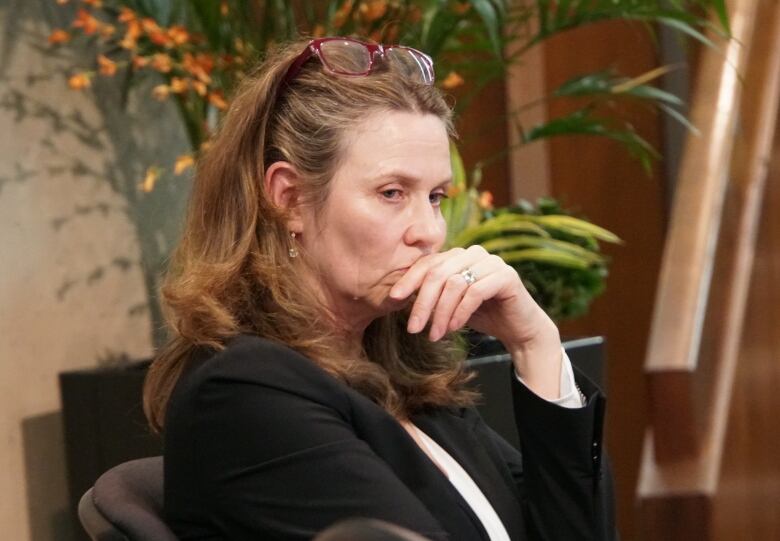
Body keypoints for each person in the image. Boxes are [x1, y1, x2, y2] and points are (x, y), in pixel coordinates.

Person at [143, 36, 615, 541]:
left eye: (435, 196)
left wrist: (534, 343)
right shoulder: (242, 394)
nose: (430, 231)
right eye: (392, 193)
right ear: (291, 199)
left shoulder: (405, 374)